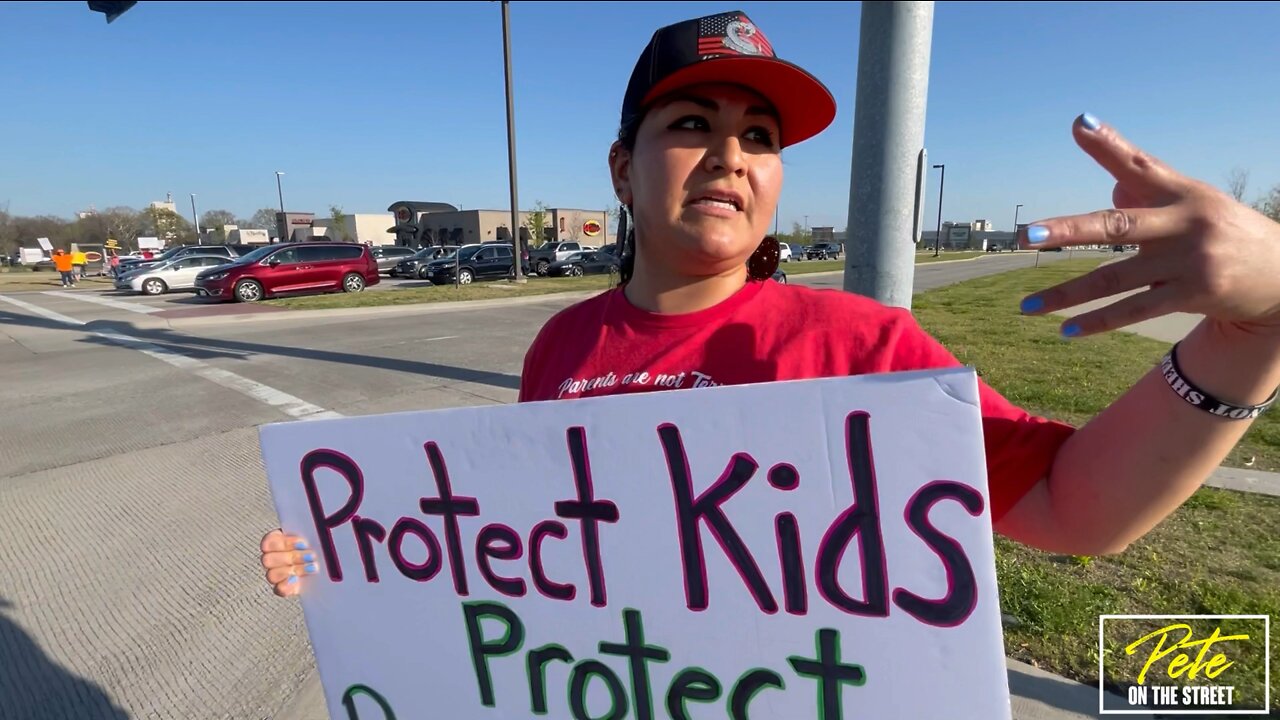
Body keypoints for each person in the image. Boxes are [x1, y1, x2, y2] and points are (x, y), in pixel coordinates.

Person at [260, 10, 1280, 597]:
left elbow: (1074, 508)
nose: (729, 156)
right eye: (692, 123)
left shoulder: (858, 343)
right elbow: (532, 549)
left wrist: (1249, 332)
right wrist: (359, 555)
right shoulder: (560, 347)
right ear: (622, 169)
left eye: (760, 138)